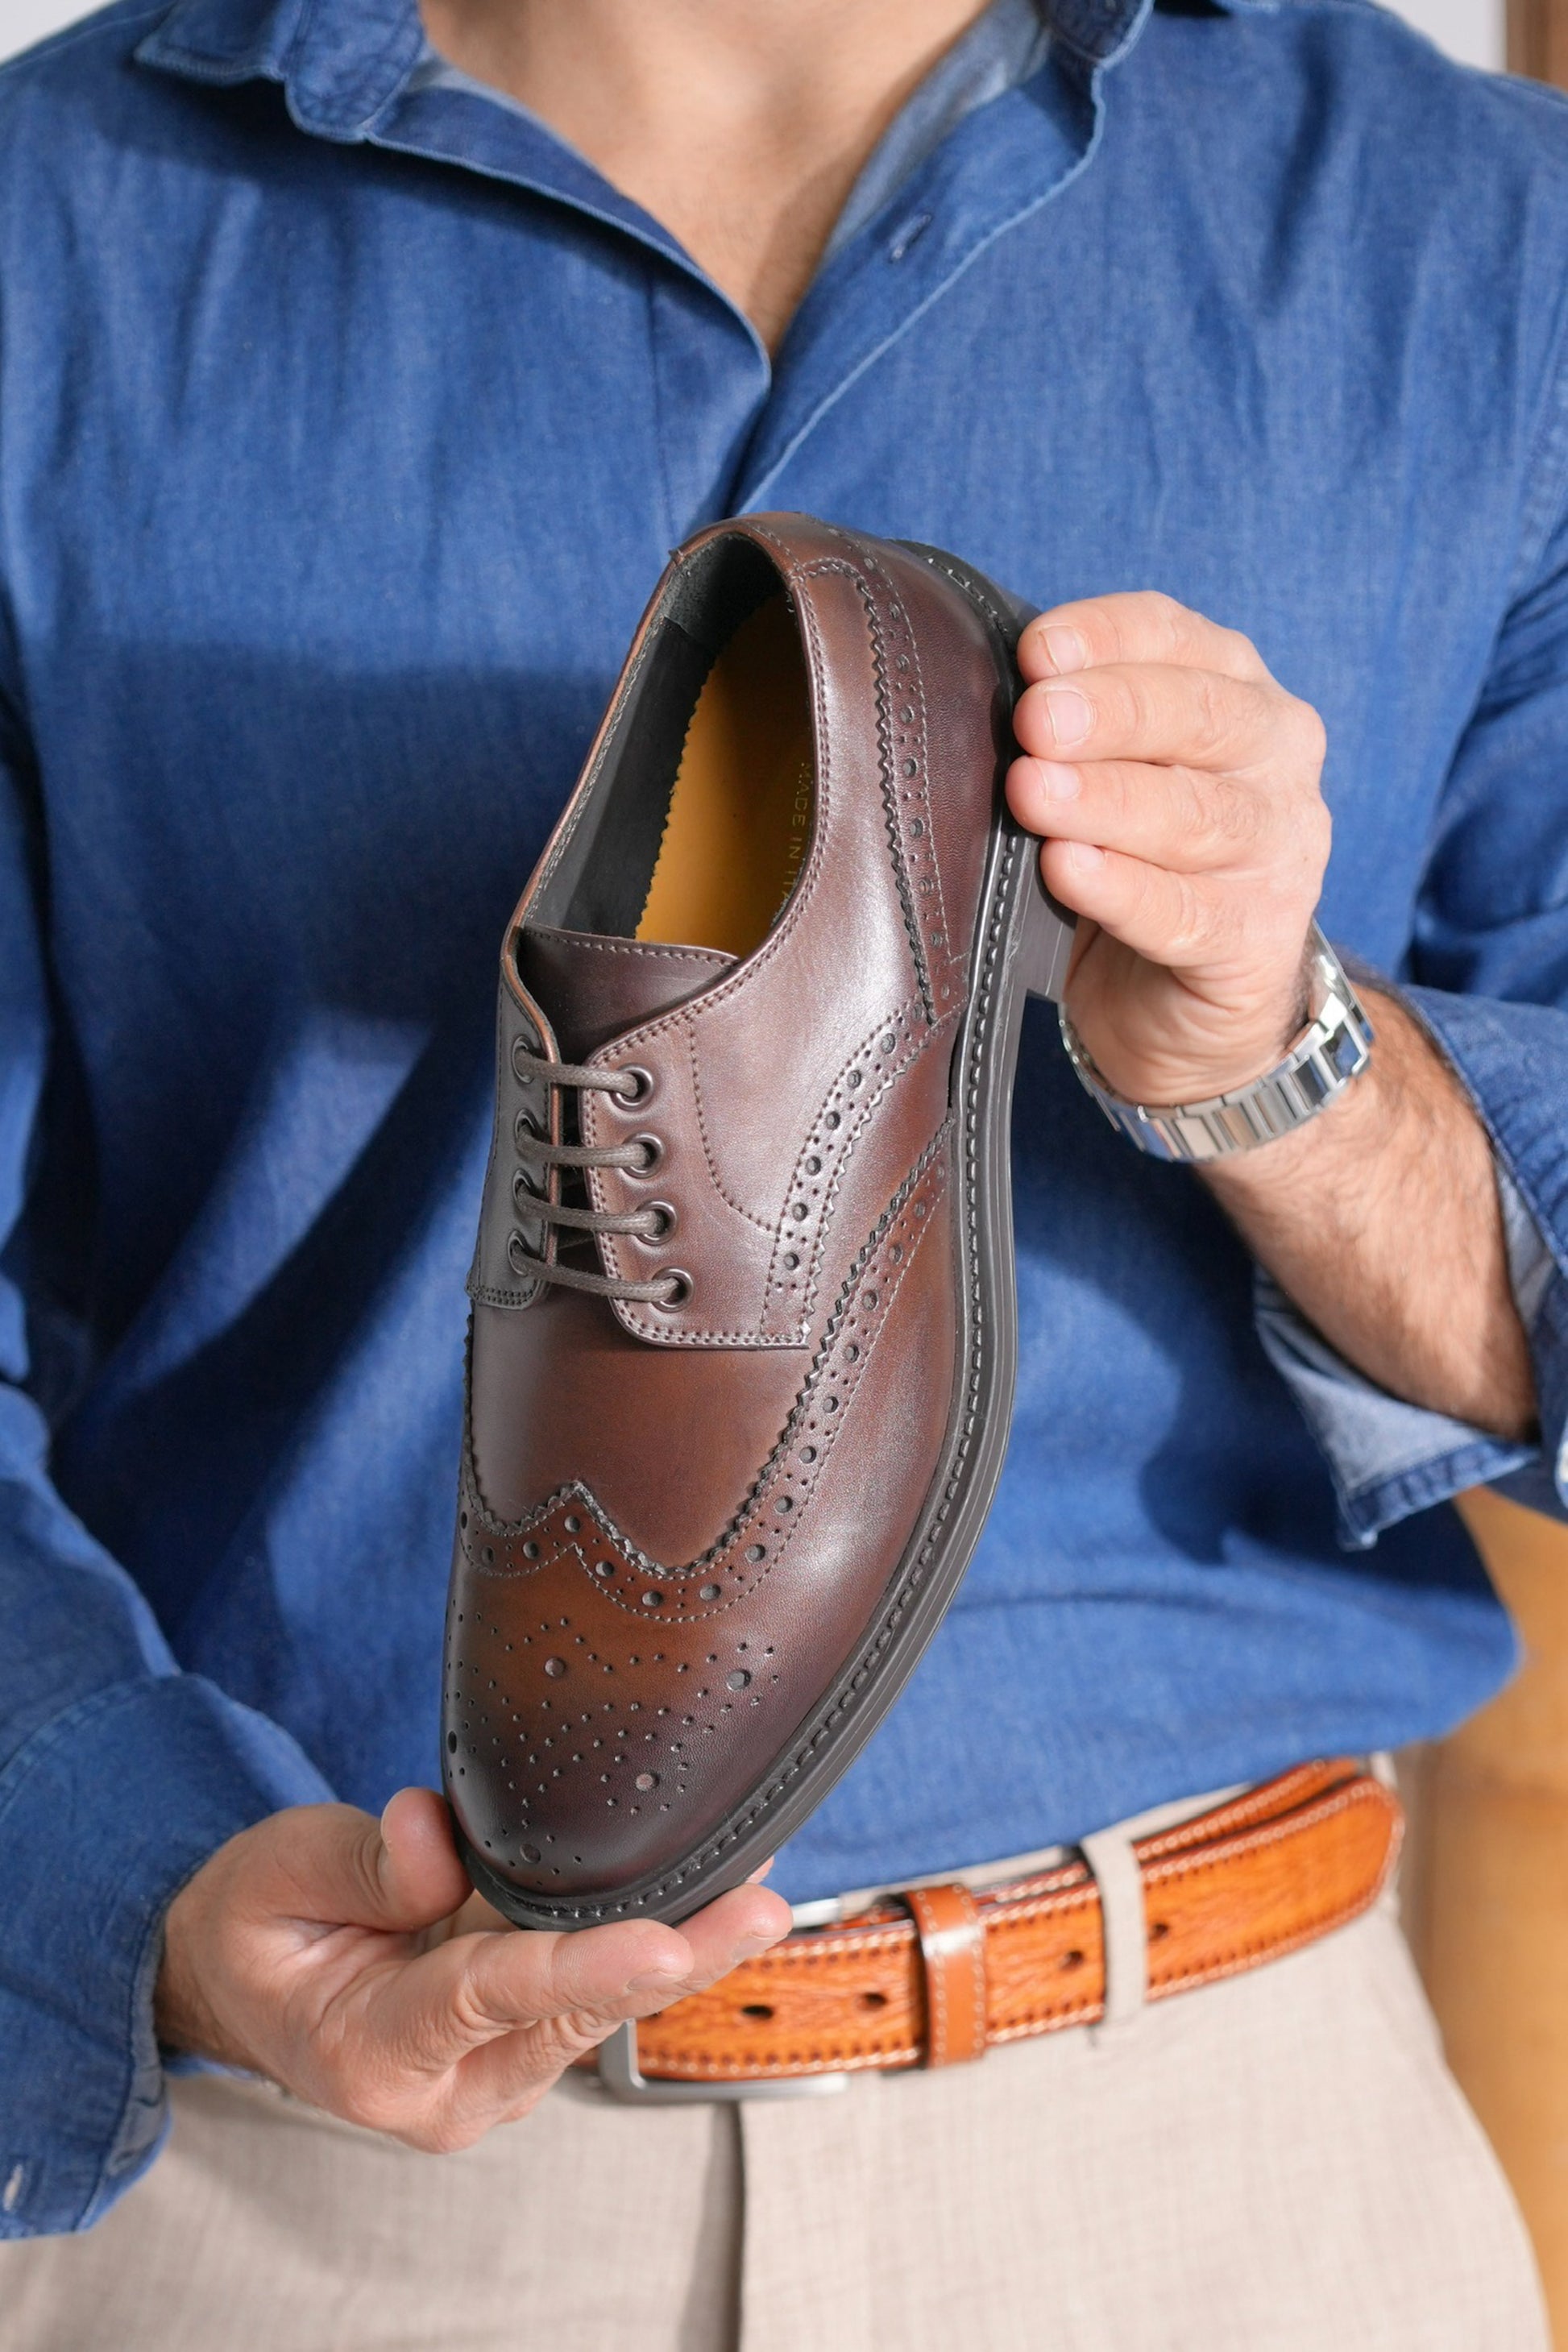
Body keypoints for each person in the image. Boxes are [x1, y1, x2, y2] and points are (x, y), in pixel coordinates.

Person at [0, 0, 1563, 2342]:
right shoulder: (44, 239)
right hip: (317, 2184)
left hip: (1225, 2160)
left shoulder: (1487, 244)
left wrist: (1280, 1060)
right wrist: (137, 1890)